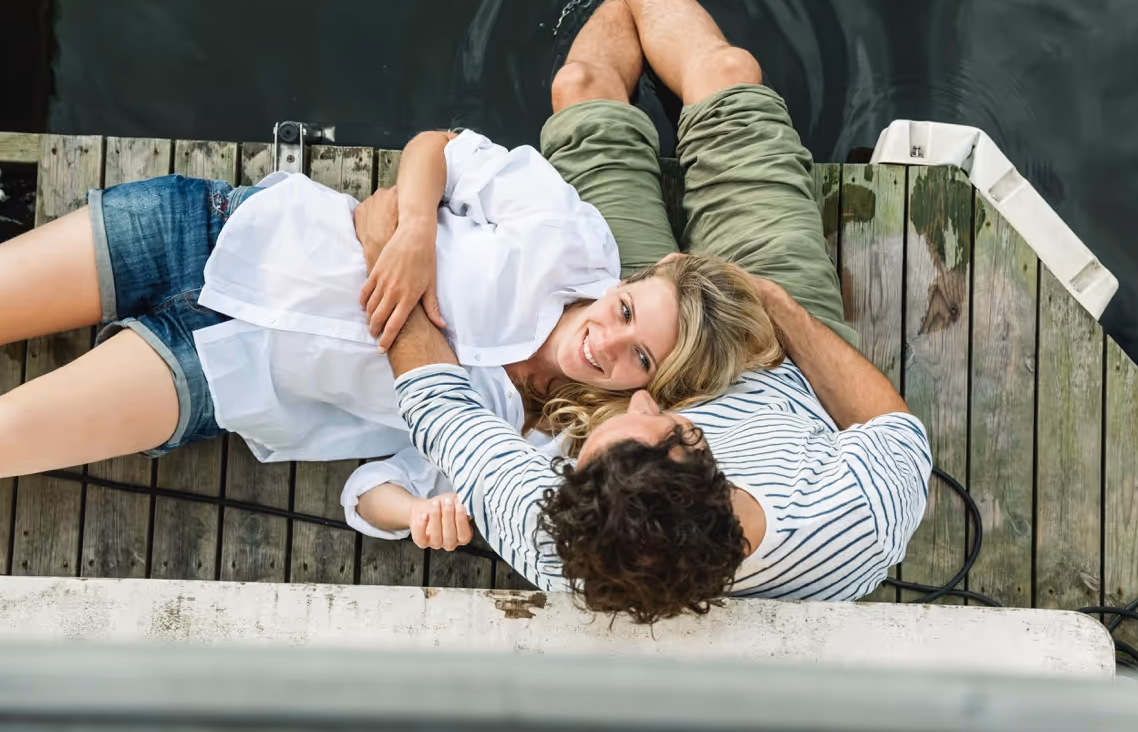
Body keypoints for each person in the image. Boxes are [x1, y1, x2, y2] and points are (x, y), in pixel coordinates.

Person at [369, 0, 932, 624]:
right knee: (728, 79)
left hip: (630, 340)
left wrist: (393, 239)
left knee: (580, 88)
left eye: (608, 431)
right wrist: (775, 303)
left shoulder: (557, 533)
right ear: (712, 460)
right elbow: (892, 429)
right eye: (667, 419)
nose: (649, 392)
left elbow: (438, 399)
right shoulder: (849, 520)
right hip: (775, 356)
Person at [0, 127, 780, 483]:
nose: (607, 340)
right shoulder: (568, 237)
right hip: (214, 229)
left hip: (219, 373)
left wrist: (421, 516)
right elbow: (436, 146)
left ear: (650, 385)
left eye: (639, 356)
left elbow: (393, 483)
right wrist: (411, 228)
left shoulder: (540, 440)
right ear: (631, 280)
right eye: (625, 308)